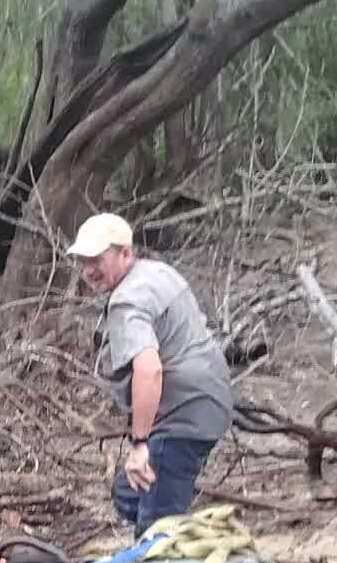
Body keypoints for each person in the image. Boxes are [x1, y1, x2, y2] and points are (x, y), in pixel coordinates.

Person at [64, 212, 235, 536]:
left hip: (183, 417)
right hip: (211, 404)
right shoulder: (158, 273)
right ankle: (185, 536)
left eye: (97, 259)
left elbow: (149, 369)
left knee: (156, 528)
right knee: (127, 492)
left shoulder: (128, 300)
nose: (88, 270)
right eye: (83, 261)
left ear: (125, 253)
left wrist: (140, 443)